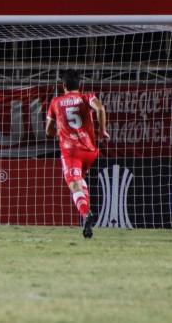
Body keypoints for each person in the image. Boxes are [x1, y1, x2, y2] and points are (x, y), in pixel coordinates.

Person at [45, 69, 109, 239]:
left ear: (63, 85)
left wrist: (59, 130)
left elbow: (48, 131)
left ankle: (86, 214)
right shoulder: (87, 97)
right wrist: (102, 131)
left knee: (74, 184)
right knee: (80, 181)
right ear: (79, 84)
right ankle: (86, 214)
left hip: (71, 151)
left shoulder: (56, 102)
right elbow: (101, 109)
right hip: (90, 151)